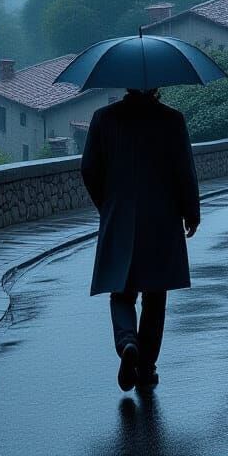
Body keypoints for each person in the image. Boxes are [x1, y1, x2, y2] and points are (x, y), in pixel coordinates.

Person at [81, 87, 200, 392]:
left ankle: (126, 341)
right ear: (156, 87)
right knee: (155, 295)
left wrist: (107, 205)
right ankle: (146, 367)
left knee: (121, 292)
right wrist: (191, 212)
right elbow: (185, 171)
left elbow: (89, 169)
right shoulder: (172, 120)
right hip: (162, 217)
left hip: (119, 215)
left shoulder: (103, 119)